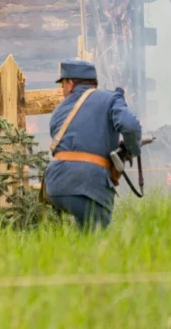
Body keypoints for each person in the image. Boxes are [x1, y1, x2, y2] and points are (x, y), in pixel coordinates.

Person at [43, 59, 143, 231]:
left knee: (83, 235)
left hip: (55, 185)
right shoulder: (111, 99)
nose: (62, 90)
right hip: (88, 184)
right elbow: (130, 126)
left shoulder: (59, 111)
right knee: (98, 239)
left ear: (70, 84)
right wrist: (131, 150)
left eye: (62, 85)